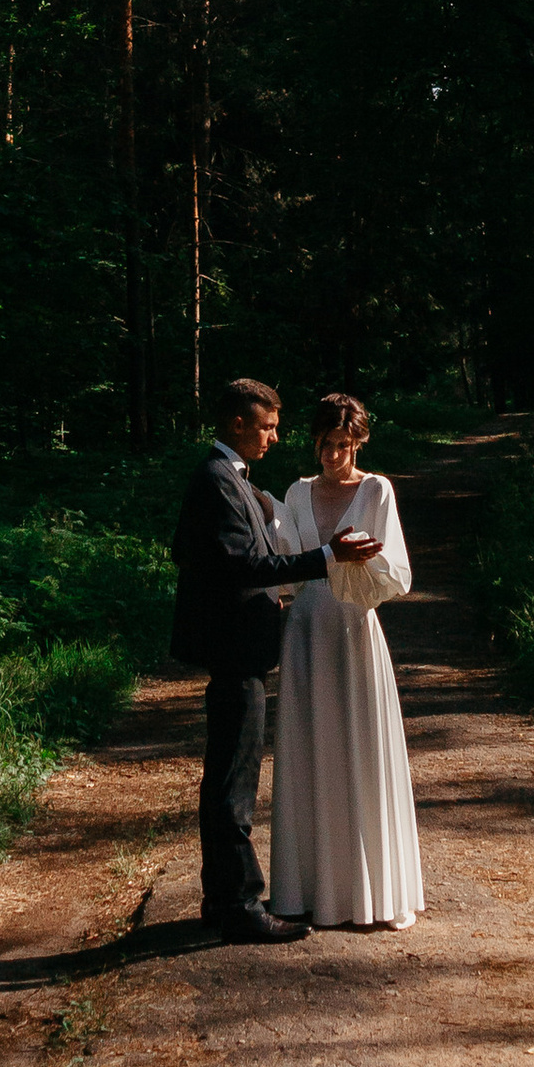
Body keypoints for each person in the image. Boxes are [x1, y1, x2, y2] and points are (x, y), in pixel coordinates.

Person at [172, 378, 383, 944]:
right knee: (233, 788)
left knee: (228, 780)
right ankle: (238, 906)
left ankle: (221, 900)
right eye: (266, 426)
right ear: (238, 423)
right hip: (233, 649)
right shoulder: (217, 479)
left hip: (237, 649)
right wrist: (325, 557)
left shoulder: (232, 482)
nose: (274, 436)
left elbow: (210, 554)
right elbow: (242, 569)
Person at [266, 390, 422, 931]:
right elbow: (285, 566)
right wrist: (269, 519)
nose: (333, 456)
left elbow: (396, 574)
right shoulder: (296, 491)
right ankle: (310, 891)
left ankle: (366, 894)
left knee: (359, 746)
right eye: (325, 445)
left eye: (343, 445)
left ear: (358, 443)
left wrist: (364, 564)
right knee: (310, 749)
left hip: (354, 623)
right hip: (306, 627)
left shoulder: (376, 489)